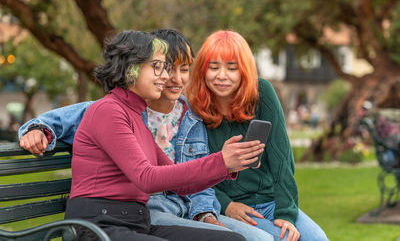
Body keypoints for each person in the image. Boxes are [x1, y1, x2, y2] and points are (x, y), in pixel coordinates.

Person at [19, 30, 270, 241]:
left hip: (134, 223)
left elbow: (180, 185)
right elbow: (146, 178)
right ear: (131, 69)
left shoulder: (134, 116)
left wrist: (225, 165)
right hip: (98, 227)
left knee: (231, 239)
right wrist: (220, 161)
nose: (165, 76)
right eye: (157, 67)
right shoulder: (108, 111)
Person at [186, 30, 329, 241]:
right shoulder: (192, 109)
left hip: (271, 201)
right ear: (203, 70)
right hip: (231, 207)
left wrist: (286, 213)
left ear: (243, 70)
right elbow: (193, 173)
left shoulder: (262, 94)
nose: (222, 75)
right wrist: (227, 205)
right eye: (213, 67)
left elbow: (282, 160)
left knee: (317, 238)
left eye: (231, 68)